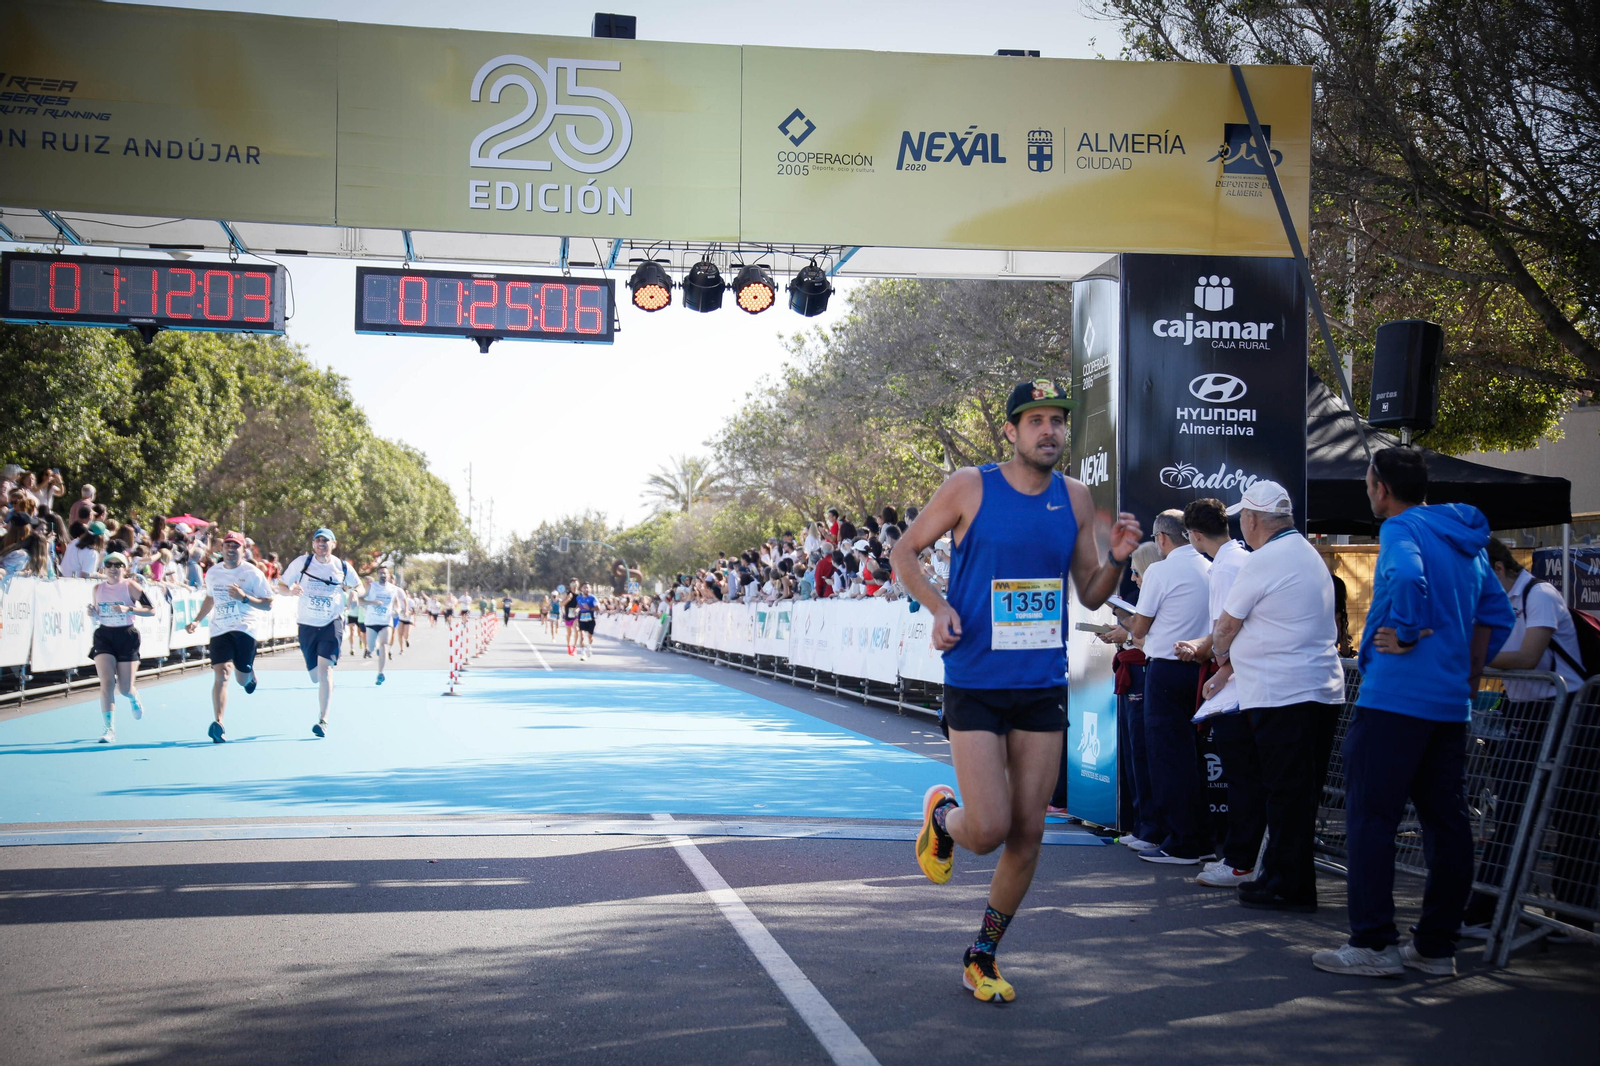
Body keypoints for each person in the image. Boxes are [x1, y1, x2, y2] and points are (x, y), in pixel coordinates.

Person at [891, 378, 1141, 1004]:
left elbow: (1089, 589)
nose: (1049, 430)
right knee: (989, 829)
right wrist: (938, 607)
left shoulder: (1076, 497)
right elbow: (905, 551)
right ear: (1010, 430)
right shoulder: (969, 487)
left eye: (1058, 420)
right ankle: (945, 818)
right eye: (1035, 420)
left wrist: (1117, 558)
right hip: (975, 678)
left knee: (1030, 833)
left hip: (1040, 682)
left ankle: (982, 954)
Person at [1311, 446, 1514, 977]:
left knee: (1371, 820)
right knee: (1446, 824)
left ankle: (1374, 943)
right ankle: (1434, 946)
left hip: (1395, 702)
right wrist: (1467, 673)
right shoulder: (1466, 541)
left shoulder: (1401, 530)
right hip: (1449, 706)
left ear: (1380, 488)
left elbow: (1405, 579)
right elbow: (1496, 612)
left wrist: (1404, 632)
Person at [1207, 483, 1345, 912]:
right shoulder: (1305, 552)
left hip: (1283, 693)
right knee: (1297, 793)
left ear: (1251, 519)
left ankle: (1288, 883)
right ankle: (1287, 877)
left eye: (1240, 520)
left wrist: (1220, 656)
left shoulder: (1264, 559)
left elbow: (1226, 626)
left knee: (1285, 792)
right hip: (1314, 688)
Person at [1458, 538, 1587, 934]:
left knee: (1568, 816)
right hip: (1523, 711)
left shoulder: (1540, 594)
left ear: (1498, 569)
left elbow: (1529, 657)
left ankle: (1570, 913)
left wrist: (1474, 657)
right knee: (1512, 808)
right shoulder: (1497, 603)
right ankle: (1490, 906)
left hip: (1564, 712)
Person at [1174, 498, 1265, 889]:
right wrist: (1203, 648)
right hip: (1241, 679)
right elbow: (1224, 629)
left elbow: (1230, 628)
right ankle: (1240, 857)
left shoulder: (1228, 566)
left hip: (1240, 685)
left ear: (1194, 535)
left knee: (1243, 776)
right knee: (1244, 775)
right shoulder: (1233, 560)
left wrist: (1221, 669)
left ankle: (1242, 860)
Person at [1127, 509, 1214, 864]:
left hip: (1166, 670)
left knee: (1168, 758)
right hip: (1203, 668)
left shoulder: (1161, 571)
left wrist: (1127, 622)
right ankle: (1190, 837)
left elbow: (1140, 628)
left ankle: (1181, 840)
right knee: (1191, 757)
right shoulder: (1210, 567)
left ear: (1161, 539)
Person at [1100, 541, 1164, 851]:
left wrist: (1127, 636)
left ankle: (1150, 827)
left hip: (1147, 674)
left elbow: (1149, 636)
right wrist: (1120, 636)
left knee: (1143, 752)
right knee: (1134, 753)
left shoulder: (1159, 592)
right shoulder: (1143, 595)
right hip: (1135, 674)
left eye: (1137, 572)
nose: (1134, 579)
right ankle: (1142, 824)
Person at [186, 531, 274, 743]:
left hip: (245, 628)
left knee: (241, 679)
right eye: (228, 546)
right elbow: (210, 598)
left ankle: (249, 673)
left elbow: (268, 603)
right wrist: (197, 620)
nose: (231, 549)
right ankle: (219, 723)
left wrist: (244, 598)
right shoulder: (214, 572)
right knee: (222, 674)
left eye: (236, 546)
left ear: (243, 550)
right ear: (222, 549)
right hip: (219, 629)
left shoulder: (252, 573)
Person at [277, 528, 365, 738]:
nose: (321, 544)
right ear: (313, 544)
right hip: (307, 624)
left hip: (331, 622)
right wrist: (290, 591)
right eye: (318, 540)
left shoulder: (342, 566)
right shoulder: (302, 563)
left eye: (326, 541)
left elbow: (360, 586)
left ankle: (323, 719)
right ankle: (323, 699)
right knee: (315, 676)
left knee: (325, 671)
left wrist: (354, 592)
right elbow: (280, 586)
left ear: (333, 544)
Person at [86, 551, 153, 743]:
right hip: (104, 635)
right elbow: (99, 614)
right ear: (104, 568)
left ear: (124, 568)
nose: (113, 569)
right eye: (109, 565)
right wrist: (93, 613)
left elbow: (152, 610)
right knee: (106, 683)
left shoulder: (130, 586)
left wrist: (129, 608)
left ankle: (133, 697)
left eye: (118, 565)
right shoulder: (97, 588)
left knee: (124, 688)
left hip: (126, 635)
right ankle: (109, 729)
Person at [360, 563, 400, 685]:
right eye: (381, 573)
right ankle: (373, 649)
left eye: (385, 573)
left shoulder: (393, 589)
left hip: (385, 621)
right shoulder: (371, 586)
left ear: (388, 575)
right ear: (377, 575)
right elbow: (360, 600)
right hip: (372, 621)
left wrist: (397, 611)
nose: (383, 575)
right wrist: (372, 602)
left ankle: (380, 673)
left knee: (384, 645)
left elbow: (397, 604)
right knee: (371, 647)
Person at [575, 582, 599, 660]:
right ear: (581, 589)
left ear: (590, 589)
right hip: (581, 618)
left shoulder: (593, 598)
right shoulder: (578, 598)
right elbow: (578, 606)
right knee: (581, 636)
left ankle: (589, 646)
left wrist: (590, 608)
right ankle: (583, 654)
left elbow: (598, 608)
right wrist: (577, 610)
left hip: (590, 618)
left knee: (590, 636)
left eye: (588, 587)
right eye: (585, 587)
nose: (586, 589)